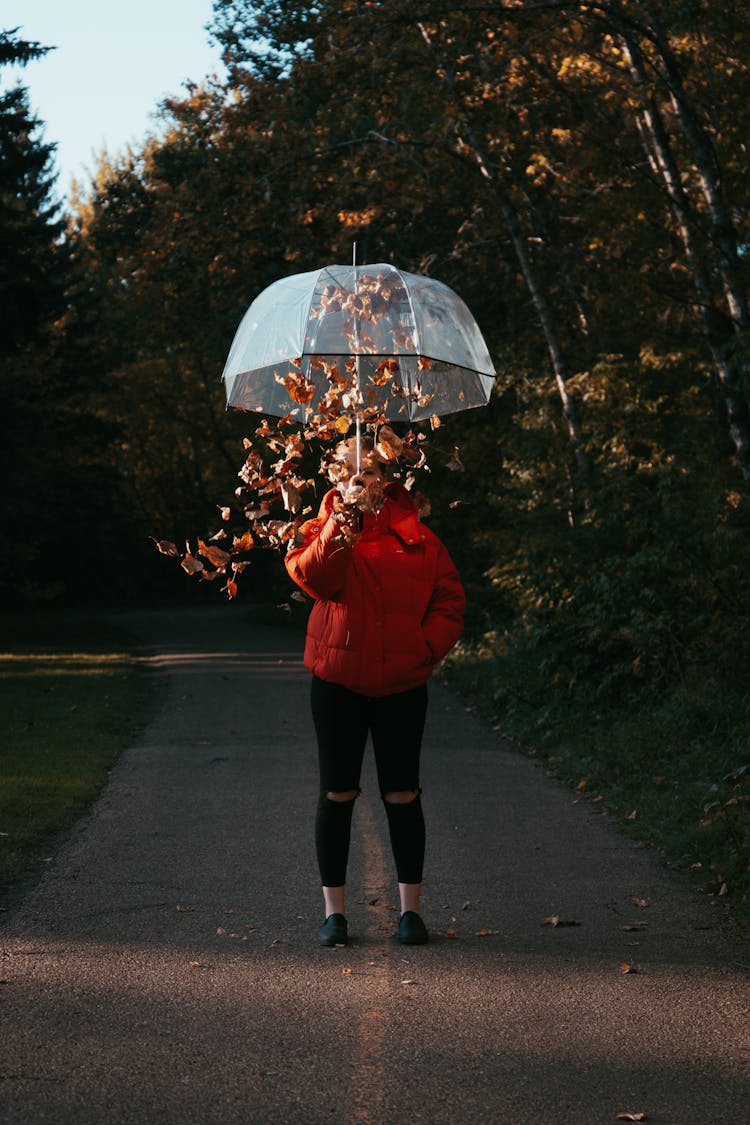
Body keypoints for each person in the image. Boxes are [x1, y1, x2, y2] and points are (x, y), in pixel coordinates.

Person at [284, 435, 465, 946]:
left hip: (402, 685)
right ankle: (334, 914)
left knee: (402, 793)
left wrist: (424, 647)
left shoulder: (420, 538)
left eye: (369, 472)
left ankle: (411, 912)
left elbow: (450, 600)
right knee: (338, 793)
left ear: (387, 479)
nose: (359, 480)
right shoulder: (318, 530)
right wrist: (343, 524)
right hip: (337, 685)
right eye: (349, 473)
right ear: (336, 480)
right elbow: (315, 579)